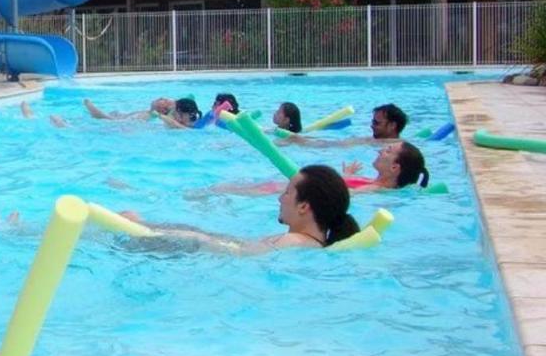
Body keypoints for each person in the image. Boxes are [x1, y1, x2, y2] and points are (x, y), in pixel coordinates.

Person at [122, 164, 361, 254]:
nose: (280, 199)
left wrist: (148, 232)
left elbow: (238, 254)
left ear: (304, 207)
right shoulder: (305, 243)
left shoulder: (295, 243)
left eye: (287, 192)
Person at [206, 142, 430, 197]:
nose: (381, 150)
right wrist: (348, 176)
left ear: (394, 167)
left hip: (290, 191)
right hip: (290, 187)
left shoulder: (374, 190)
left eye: (388, 151)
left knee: (223, 189)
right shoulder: (371, 181)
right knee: (224, 188)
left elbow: (342, 195)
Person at [278, 103, 408, 147]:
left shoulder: (393, 145)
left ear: (392, 125)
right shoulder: (379, 141)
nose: (371, 125)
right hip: (336, 145)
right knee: (295, 139)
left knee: (295, 139)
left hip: (334, 147)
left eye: (376, 123)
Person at [84, 96, 202, 128]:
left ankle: (101, 117)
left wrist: (159, 115)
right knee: (118, 116)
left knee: (118, 123)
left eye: (164, 100)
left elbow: (177, 125)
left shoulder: (188, 127)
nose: (163, 99)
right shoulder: (189, 119)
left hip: (145, 123)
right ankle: (103, 117)